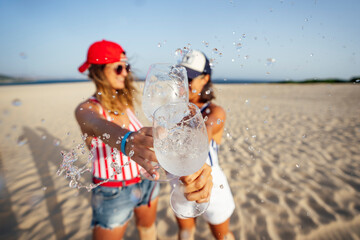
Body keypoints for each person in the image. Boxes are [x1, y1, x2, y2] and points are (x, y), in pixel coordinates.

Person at [75, 40, 213, 240]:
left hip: (146, 180)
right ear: (98, 71)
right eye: (119, 67)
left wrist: (185, 166)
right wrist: (126, 140)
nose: (125, 73)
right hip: (113, 189)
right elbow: (96, 124)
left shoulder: (125, 104)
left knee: (147, 229)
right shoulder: (87, 109)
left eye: (127, 67)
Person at [176, 50, 235, 240]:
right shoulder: (174, 111)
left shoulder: (214, 111)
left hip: (210, 178)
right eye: (180, 77)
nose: (183, 82)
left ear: (205, 79)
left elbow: (204, 133)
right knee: (185, 233)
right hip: (179, 178)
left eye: (190, 78)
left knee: (222, 235)